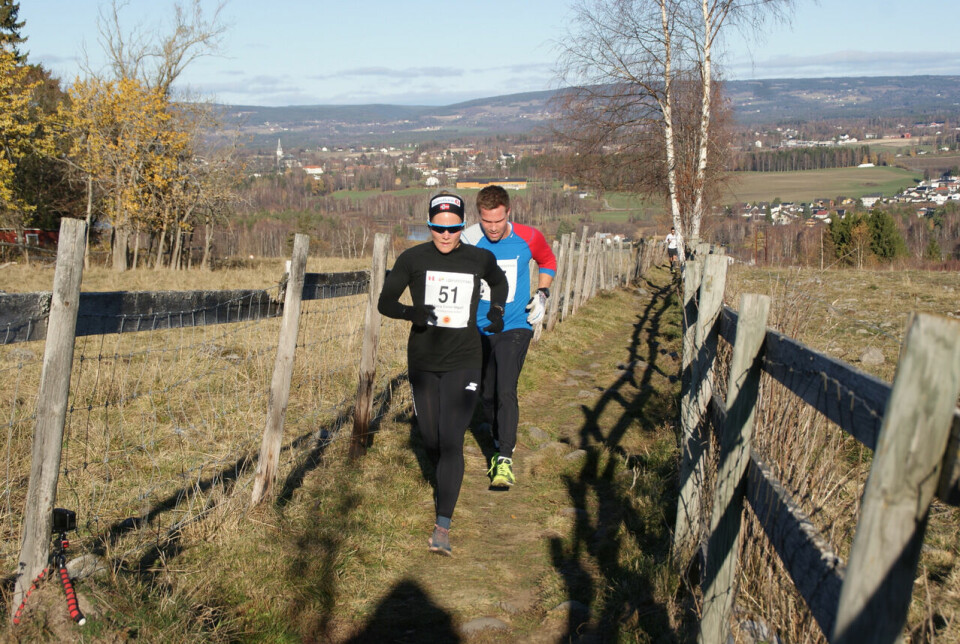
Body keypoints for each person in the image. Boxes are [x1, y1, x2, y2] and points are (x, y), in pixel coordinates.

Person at [378, 192, 508, 556]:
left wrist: (496, 310)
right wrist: (411, 313)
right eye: (438, 228)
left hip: (465, 359)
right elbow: (385, 302)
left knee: (451, 439)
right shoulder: (413, 258)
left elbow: (499, 283)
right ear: (429, 226)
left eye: (453, 229)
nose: (446, 235)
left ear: (462, 226)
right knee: (431, 438)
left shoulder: (479, 258)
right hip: (423, 360)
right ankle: (443, 475)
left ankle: (443, 525)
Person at [461, 185, 557, 488]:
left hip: (516, 325)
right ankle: (499, 434)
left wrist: (542, 294)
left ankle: (503, 458)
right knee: (487, 394)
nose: (492, 228)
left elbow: (548, 260)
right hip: (479, 327)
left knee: (505, 388)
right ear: (479, 215)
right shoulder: (469, 239)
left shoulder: (529, 237)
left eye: (498, 221)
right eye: (486, 221)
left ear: (508, 213)